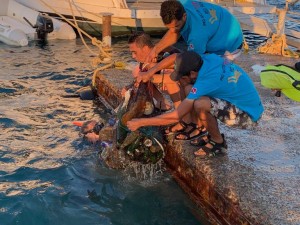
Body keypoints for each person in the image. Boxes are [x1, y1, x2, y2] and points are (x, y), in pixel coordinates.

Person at [127, 51, 264, 158]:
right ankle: (201, 128)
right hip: (240, 101)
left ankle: (218, 142)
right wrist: (150, 72)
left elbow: (177, 115)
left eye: (183, 75)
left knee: (201, 104)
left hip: (248, 115)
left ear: (193, 73)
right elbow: (176, 56)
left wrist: (141, 122)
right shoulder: (207, 59)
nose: (180, 78)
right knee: (187, 88)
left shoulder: (205, 82)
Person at [146, 0, 244, 63]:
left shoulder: (197, 35)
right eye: (169, 27)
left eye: (176, 26)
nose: (172, 31)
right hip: (223, 22)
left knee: (200, 73)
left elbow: (192, 62)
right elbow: (173, 32)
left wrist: (156, 68)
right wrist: (155, 50)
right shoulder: (180, 4)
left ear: (184, 16)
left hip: (231, 46)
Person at [126, 31, 184, 110]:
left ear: (145, 48)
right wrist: (129, 87)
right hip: (164, 75)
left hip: (183, 81)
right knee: (138, 72)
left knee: (161, 74)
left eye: (134, 52)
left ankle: (179, 109)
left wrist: (150, 73)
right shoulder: (146, 60)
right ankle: (162, 103)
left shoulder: (164, 51)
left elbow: (179, 64)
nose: (133, 56)